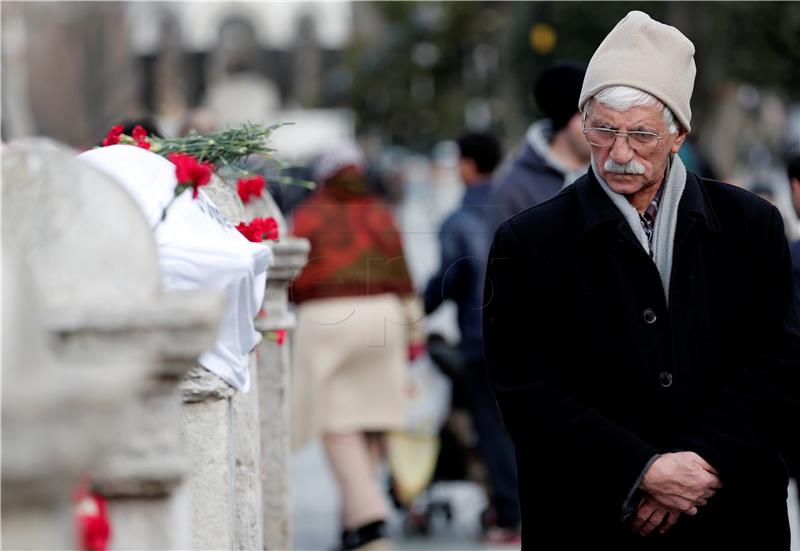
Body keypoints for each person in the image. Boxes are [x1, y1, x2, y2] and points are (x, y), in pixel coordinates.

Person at [483, 11, 800, 549]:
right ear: (581, 124)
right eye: (602, 130)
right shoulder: (528, 242)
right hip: (590, 517)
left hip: (730, 514)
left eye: (641, 135)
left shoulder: (751, 225)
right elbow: (526, 389)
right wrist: (640, 471)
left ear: (679, 133)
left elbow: (778, 361)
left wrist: (705, 462)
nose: (619, 154)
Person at [289, 143, 425, 551]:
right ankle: (353, 527)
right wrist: (415, 332)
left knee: (337, 424)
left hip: (326, 320)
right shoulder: (377, 211)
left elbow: (292, 275)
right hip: (383, 317)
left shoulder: (310, 213)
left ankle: (370, 525)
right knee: (369, 422)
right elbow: (402, 274)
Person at [423, 133, 520, 543]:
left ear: (466, 165)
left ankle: (511, 517)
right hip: (524, 336)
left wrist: (418, 308)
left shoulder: (459, 219)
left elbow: (447, 282)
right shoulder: (516, 206)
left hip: (481, 341)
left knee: (492, 430)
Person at [487, 61, 589, 231]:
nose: (599, 126)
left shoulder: (612, 176)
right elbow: (498, 255)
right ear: (565, 119)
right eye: (586, 115)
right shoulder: (514, 189)